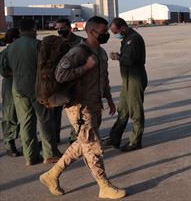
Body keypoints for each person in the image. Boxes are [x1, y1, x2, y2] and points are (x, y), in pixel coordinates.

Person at [39, 16, 126, 199]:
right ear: (90, 31)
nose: (105, 35)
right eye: (102, 32)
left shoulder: (100, 53)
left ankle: (51, 175)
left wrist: (109, 98)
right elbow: (60, 75)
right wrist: (85, 67)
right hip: (79, 107)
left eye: (106, 32)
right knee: (93, 147)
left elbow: (104, 77)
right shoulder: (78, 52)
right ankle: (104, 186)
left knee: (82, 144)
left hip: (94, 104)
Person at [1, 19, 60, 165]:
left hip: (18, 88)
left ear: (20, 30)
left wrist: (13, 74)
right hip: (38, 87)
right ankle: (49, 154)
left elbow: (2, 68)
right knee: (45, 120)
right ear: (33, 29)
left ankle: (30, 157)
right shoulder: (38, 45)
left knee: (26, 122)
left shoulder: (10, 47)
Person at [103, 17, 147, 152]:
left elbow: (131, 60)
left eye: (115, 31)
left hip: (135, 79)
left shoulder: (133, 39)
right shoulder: (127, 38)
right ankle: (114, 137)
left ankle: (135, 141)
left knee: (135, 111)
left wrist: (118, 57)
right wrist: (120, 56)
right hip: (127, 79)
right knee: (123, 109)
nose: (115, 34)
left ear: (123, 28)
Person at [53, 18, 85, 144]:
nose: (60, 31)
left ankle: (74, 137)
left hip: (74, 81)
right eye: (58, 29)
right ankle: (54, 137)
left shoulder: (79, 42)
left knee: (75, 112)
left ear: (69, 28)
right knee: (55, 112)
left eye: (63, 28)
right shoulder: (55, 43)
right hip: (58, 83)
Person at [0, 28, 22, 157]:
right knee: (10, 115)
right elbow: (4, 71)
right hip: (10, 85)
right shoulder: (6, 53)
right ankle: (10, 144)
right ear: (14, 39)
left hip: (22, 84)